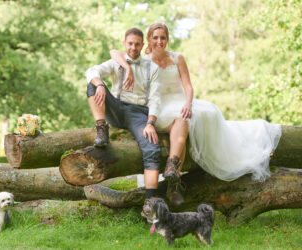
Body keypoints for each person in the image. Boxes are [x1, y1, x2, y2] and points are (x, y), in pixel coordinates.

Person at [111, 23, 282, 189]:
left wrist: (188, 103)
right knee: (180, 124)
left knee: (200, 114)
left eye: (163, 37)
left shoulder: (177, 58)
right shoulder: (143, 61)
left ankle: (173, 168)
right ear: (148, 40)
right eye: (155, 37)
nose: (159, 41)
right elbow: (115, 52)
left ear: (167, 39)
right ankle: (174, 176)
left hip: (180, 100)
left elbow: (188, 86)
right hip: (158, 105)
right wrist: (127, 67)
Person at [85, 27, 163, 200]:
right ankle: (101, 129)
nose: (133, 48)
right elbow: (91, 71)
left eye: (137, 44)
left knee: (152, 149)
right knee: (92, 84)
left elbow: (155, 99)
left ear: (143, 45)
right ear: (124, 44)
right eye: (130, 44)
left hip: (139, 114)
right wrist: (99, 84)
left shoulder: (153, 68)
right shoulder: (116, 62)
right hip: (116, 109)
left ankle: (151, 203)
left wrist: (150, 123)